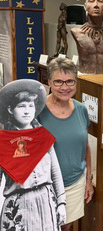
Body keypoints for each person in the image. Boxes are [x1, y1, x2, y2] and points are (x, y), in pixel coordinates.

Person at [0, 79, 66, 231]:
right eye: (21, 106)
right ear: (11, 109)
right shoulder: (3, 141)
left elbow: (55, 172)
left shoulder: (43, 136)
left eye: (30, 106)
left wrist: (61, 203)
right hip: (18, 206)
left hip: (46, 201)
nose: (26, 110)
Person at [37, 57, 94, 231]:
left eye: (70, 81)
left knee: (65, 226)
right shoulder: (37, 111)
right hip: (45, 186)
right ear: (49, 82)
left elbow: (84, 146)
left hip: (75, 183)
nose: (64, 87)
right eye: (58, 82)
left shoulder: (81, 109)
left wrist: (88, 180)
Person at [71, 0, 103, 74]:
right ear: (85, 7)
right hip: (86, 81)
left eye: (100, 1)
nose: (96, 5)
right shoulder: (76, 32)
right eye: (91, 0)